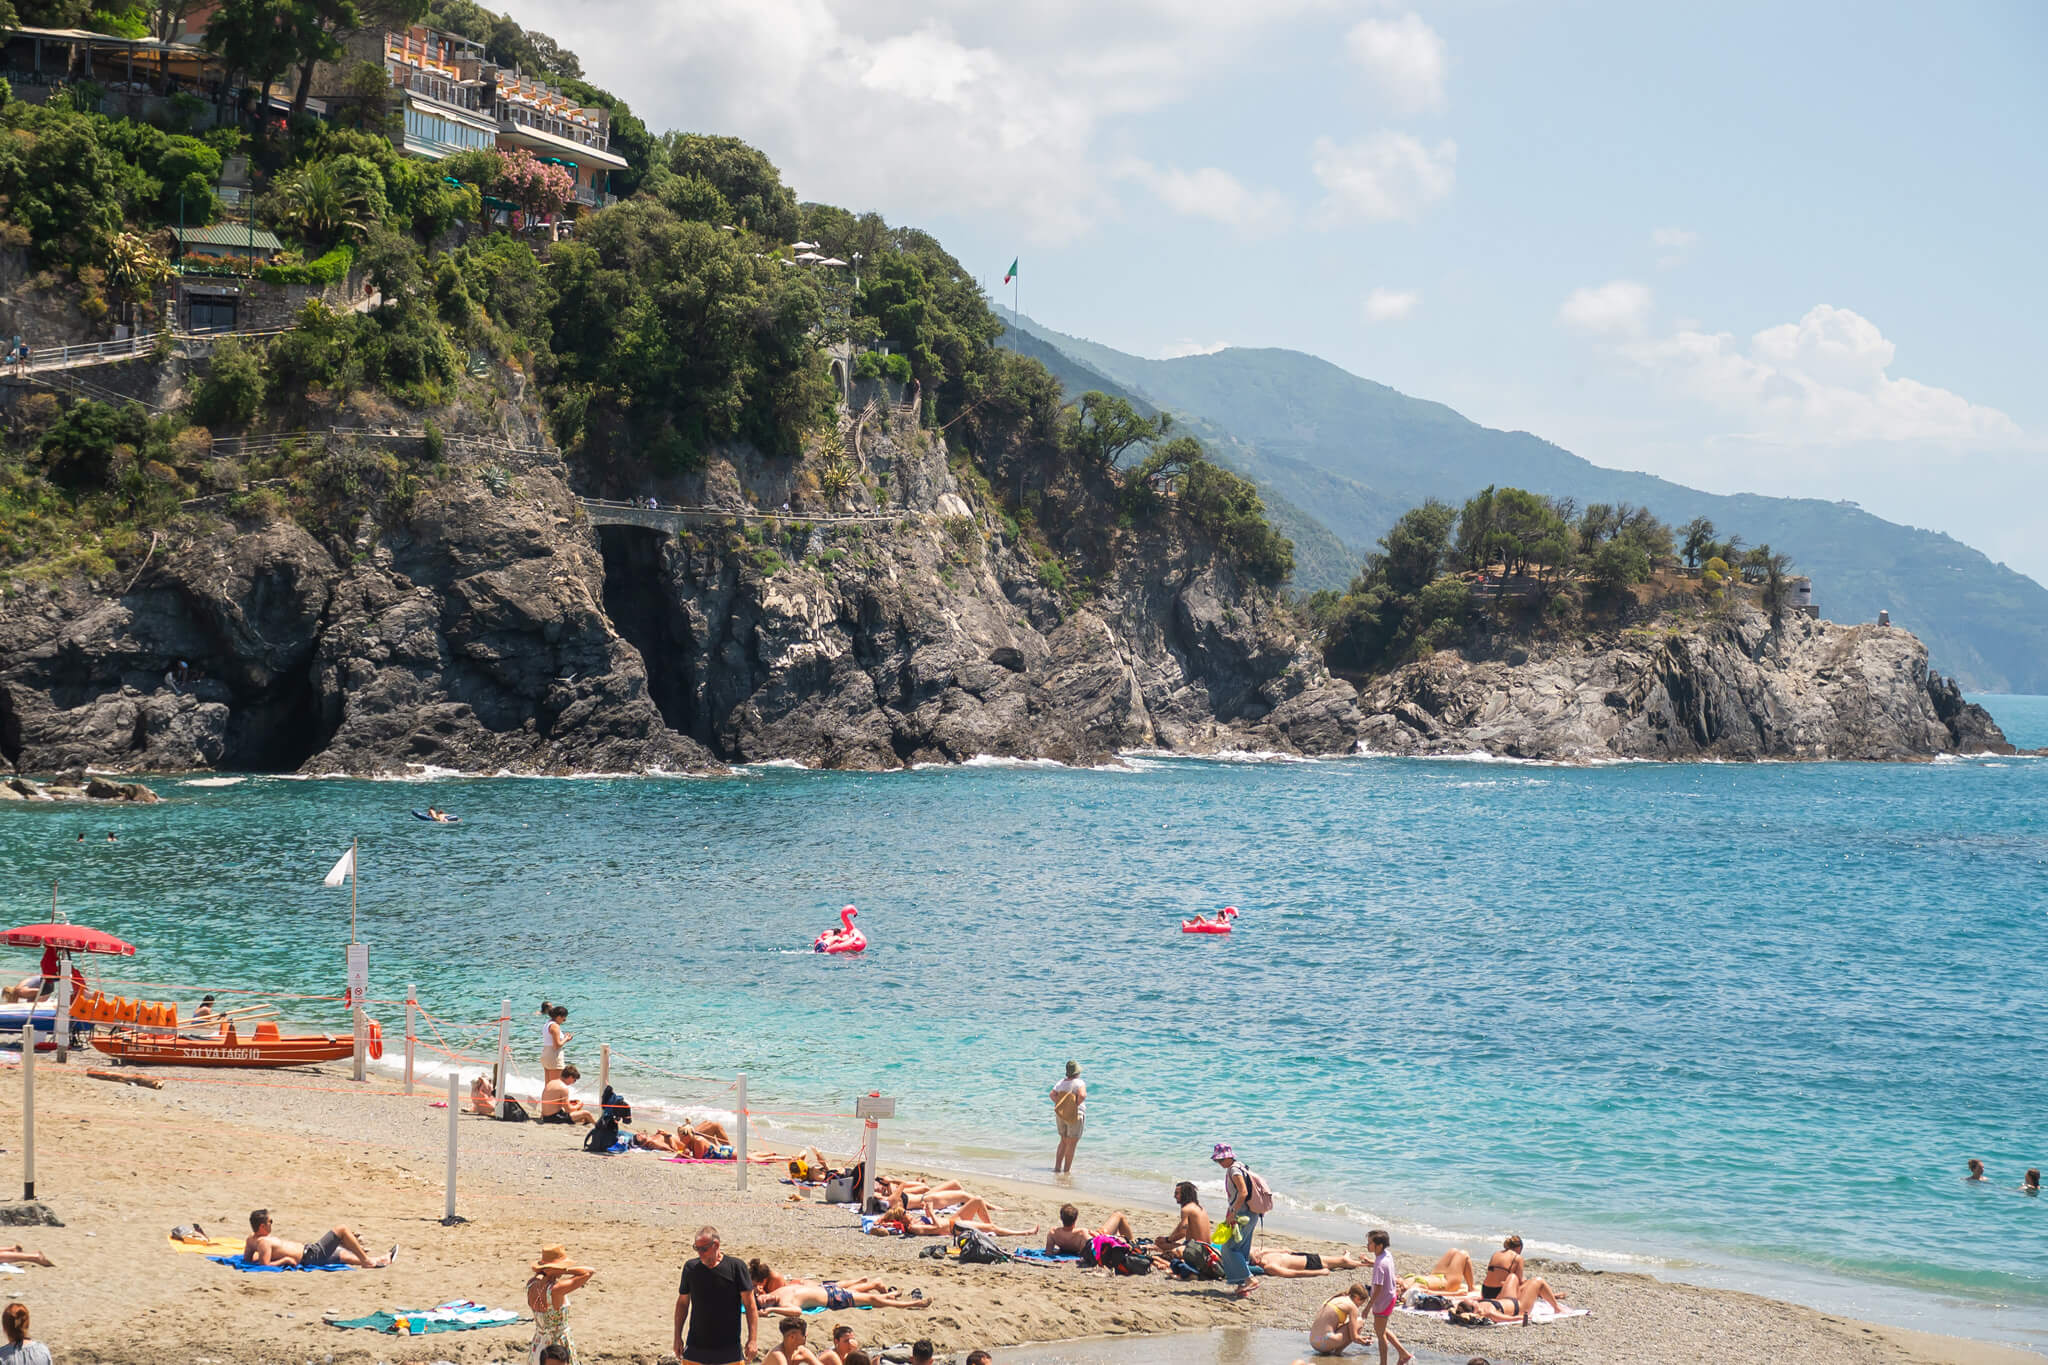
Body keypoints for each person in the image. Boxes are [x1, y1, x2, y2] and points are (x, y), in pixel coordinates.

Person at [675, 1225, 757, 1365]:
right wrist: (677, 1336)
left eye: (704, 1249)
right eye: (697, 1248)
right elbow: (682, 1303)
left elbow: (750, 1306)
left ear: (716, 1245)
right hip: (696, 1346)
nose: (700, 1253)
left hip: (729, 1348)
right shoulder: (691, 1268)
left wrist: (752, 1339)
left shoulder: (736, 1267)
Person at [243, 1208, 393, 1267]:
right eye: (270, 1222)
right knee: (341, 1229)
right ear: (262, 1226)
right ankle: (366, 1261)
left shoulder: (251, 1239)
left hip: (310, 1253)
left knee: (343, 1255)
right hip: (310, 1256)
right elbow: (264, 1265)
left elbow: (248, 1260)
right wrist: (285, 1260)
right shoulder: (264, 1243)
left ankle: (379, 1260)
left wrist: (271, 1257)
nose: (271, 1224)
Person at [527, 1244, 594, 1365]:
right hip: (558, 1344)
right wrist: (564, 1270)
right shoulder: (556, 1289)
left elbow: (538, 1276)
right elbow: (589, 1271)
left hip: (538, 1342)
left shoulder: (531, 1285)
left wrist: (545, 1271)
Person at [1213, 1143, 1260, 1297]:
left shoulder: (1234, 1170)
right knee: (1241, 1249)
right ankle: (1242, 1286)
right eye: (1217, 1161)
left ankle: (1249, 1279)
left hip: (1242, 1215)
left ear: (1228, 1157)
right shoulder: (1241, 1166)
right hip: (1251, 1213)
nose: (1219, 1163)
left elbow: (1243, 1193)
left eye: (1220, 1160)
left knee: (1229, 1248)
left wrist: (1233, 1211)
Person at [1364, 1230, 1411, 1365]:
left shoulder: (1379, 1264)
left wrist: (1368, 1307)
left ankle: (1384, 1363)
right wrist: (1370, 1262)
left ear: (1378, 1245)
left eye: (1370, 1243)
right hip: (1390, 1297)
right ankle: (1403, 1353)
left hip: (1382, 1301)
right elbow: (1381, 1265)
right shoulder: (1386, 1255)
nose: (1367, 1245)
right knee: (1381, 1328)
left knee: (1380, 1334)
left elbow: (1377, 1288)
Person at [866, 1202, 1036, 1238]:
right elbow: (938, 1227)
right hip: (954, 1227)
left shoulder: (914, 1222)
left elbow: (880, 1220)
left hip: (953, 1219)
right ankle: (1024, 1232)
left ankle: (988, 1227)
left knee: (977, 1200)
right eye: (907, 1214)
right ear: (903, 1220)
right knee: (990, 1226)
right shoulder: (914, 1229)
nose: (910, 1214)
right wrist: (931, 1212)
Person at [1449, 1276, 1569, 1323]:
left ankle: (1539, 1293)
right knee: (1539, 1281)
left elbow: (1454, 1308)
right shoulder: (1488, 1312)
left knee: (1512, 1277)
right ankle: (1556, 1308)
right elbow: (1507, 1318)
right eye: (1474, 1303)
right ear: (1473, 1310)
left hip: (1505, 1299)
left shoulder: (1475, 1307)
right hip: (1520, 1307)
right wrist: (1522, 1317)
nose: (1475, 1301)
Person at [757, 1282, 932, 1312]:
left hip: (828, 1289)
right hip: (833, 1300)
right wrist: (772, 1309)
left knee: (863, 1294)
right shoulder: (782, 1303)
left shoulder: (776, 1292)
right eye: (764, 1303)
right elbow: (796, 1312)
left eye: (764, 1299)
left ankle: (891, 1294)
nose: (767, 1300)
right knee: (872, 1300)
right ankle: (913, 1303)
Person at [1047, 1204, 1137, 1256]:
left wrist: (1061, 1250)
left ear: (1061, 1218)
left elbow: (1049, 1253)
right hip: (1099, 1239)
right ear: (1075, 1219)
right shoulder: (1081, 1232)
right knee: (1118, 1215)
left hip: (1077, 1245)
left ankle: (1127, 1239)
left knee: (1114, 1231)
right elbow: (1089, 1250)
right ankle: (1133, 1242)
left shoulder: (1053, 1233)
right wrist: (1095, 1234)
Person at [1155, 1181, 1213, 1262]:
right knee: (1162, 1242)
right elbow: (1180, 1227)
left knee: (1159, 1244)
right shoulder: (1199, 1208)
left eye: (1177, 1193)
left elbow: (1182, 1233)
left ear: (1185, 1194)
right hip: (1207, 1248)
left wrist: (1167, 1241)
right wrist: (1168, 1239)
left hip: (1196, 1250)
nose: (1174, 1196)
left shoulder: (1186, 1209)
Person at [1307, 1283, 1369, 1355]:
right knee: (1360, 1321)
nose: (1360, 1306)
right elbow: (1354, 1338)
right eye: (1361, 1303)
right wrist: (1364, 1341)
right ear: (1357, 1297)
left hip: (1313, 1342)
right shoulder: (1352, 1307)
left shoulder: (1334, 1298)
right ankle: (1337, 1353)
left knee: (1351, 1324)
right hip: (1324, 1344)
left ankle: (1333, 1352)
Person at [1050, 1061, 1086, 1174]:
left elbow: (1052, 1094)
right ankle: (1066, 1171)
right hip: (1075, 1115)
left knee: (1063, 1141)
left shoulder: (1061, 1082)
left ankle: (1057, 1168)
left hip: (1061, 1114)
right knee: (1072, 1143)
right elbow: (1082, 1095)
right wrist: (1073, 1105)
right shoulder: (1079, 1083)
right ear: (1077, 1072)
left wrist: (1062, 1105)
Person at [1402, 1247, 1477, 1295]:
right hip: (1447, 1284)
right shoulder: (1412, 1288)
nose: (1398, 1286)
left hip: (1436, 1275)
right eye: (1398, 1288)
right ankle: (1471, 1288)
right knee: (1463, 1254)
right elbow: (1430, 1293)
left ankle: (1470, 1286)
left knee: (1453, 1251)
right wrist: (1456, 1293)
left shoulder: (1401, 1282)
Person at [1254, 1246, 1365, 1277]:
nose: (1256, 1254)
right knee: (1343, 1262)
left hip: (1301, 1256)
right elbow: (1293, 1273)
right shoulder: (1270, 1267)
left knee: (1333, 1260)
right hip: (1310, 1264)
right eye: (1254, 1257)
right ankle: (1366, 1264)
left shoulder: (1264, 1254)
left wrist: (1287, 1251)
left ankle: (1346, 1258)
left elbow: (1283, 1250)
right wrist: (1319, 1272)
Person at [1479, 1235, 1524, 1302]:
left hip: (1485, 1291)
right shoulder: (1517, 1258)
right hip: (1499, 1292)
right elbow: (1519, 1281)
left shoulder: (1496, 1254)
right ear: (1519, 1248)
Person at [539, 1001, 572, 1083]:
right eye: (564, 1018)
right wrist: (566, 1039)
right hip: (554, 1056)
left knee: (548, 1085)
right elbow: (557, 1045)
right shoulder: (555, 1026)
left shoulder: (547, 1023)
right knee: (556, 1084)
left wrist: (564, 1038)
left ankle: (545, 1096)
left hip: (546, 1054)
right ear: (559, 1017)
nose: (564, 1020)